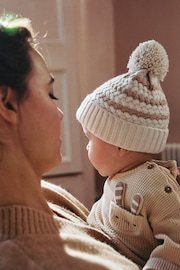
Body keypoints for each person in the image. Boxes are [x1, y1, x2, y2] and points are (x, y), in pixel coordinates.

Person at [0, 14, 140, 270]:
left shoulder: (47, 194)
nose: (60, 113)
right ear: (7, 103)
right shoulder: (28, 260)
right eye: (50, 94)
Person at [76, 40, 180, 270]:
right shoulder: (119, 175)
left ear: (121, 145)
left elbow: (176, 243)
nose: (86, 147)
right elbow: (100, 213)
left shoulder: (154, 185)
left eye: (90, 139)